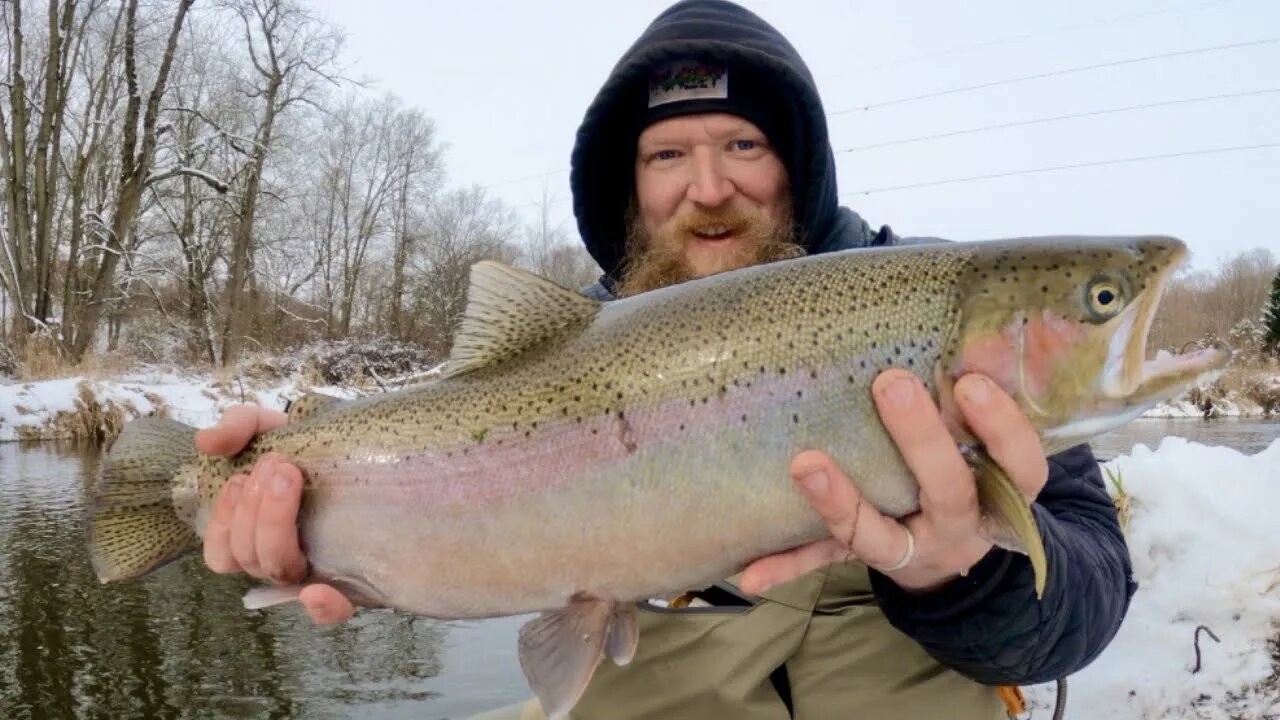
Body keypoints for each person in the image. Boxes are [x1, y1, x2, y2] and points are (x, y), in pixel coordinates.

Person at [196, 1, 1136, 718]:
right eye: (667, 155)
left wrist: (964, 569)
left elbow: (1087, 606)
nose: (711, 185)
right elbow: (436, 456)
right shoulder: (560, 353)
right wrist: (313, 488)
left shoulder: (939, 310)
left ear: (798, 165)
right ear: (627, 186)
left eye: (743, 142)